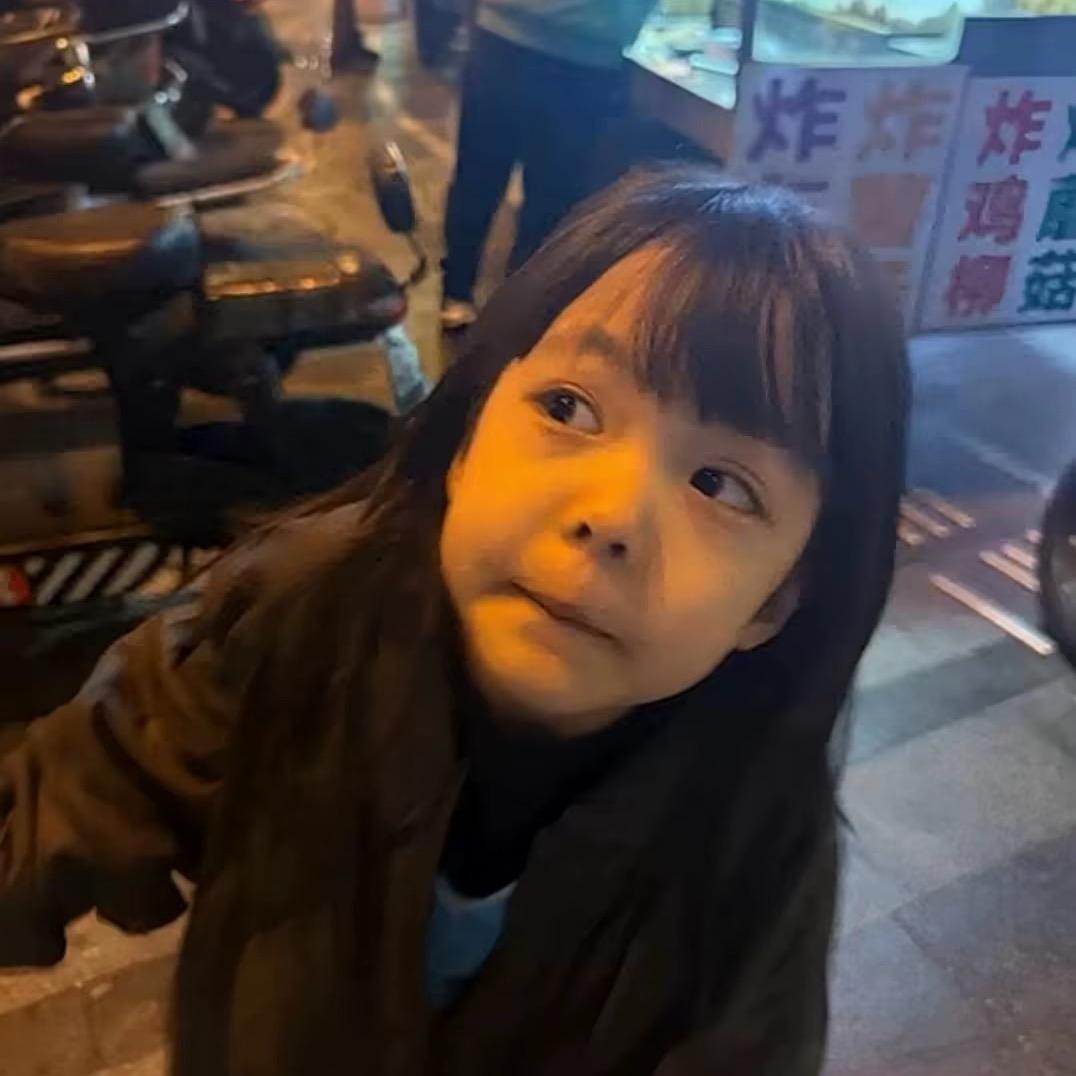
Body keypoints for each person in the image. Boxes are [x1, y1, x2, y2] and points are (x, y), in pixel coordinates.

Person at [0, 170, 909, 1076]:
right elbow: (56, 808)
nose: (612, 516)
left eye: (722, 485)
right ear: (468, 436)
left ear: (775, 602)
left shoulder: (757, 835)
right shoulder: (292, 614)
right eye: (568, 408)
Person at [440, 0, 654, 331]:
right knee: (490, 181)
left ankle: (512, 308)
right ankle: (465, 292)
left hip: (572, 57)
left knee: (544, 197)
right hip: (521, 46)